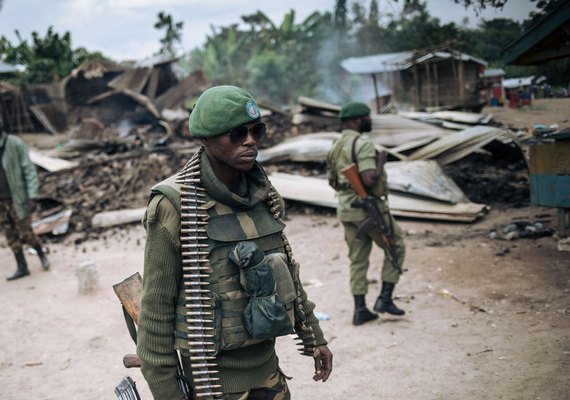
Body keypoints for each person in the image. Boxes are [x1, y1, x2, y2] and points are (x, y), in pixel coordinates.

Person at [136, 85, 333, 400]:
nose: (251, 140)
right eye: (237, 133)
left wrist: (314, 337)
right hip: (212, 382)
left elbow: (287, 274)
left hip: (268, 372)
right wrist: (167, 391)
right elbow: (155, 310)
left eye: (257, 130)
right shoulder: (174, 205)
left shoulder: (263, 194)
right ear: (206, 139)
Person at [326, 102, 406, 326]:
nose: (370, 121)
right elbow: (369, 178)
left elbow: (332, 180)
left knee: (358, 258)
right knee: (396, 246)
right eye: (367, 117)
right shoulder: (363, 143)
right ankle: (385, 298)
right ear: (356, 121)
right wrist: (380, 164)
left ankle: (360, 309)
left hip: (345, 208)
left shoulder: (336, 145)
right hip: (366, 207)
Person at [0, 116, 50, 280]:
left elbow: (29, 171)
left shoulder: (14, 144)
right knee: (10, 234)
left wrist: (32, 196)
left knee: (26, 232)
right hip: (1, 201)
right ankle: (22, 266)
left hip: (17, 198)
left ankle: (41, 254)